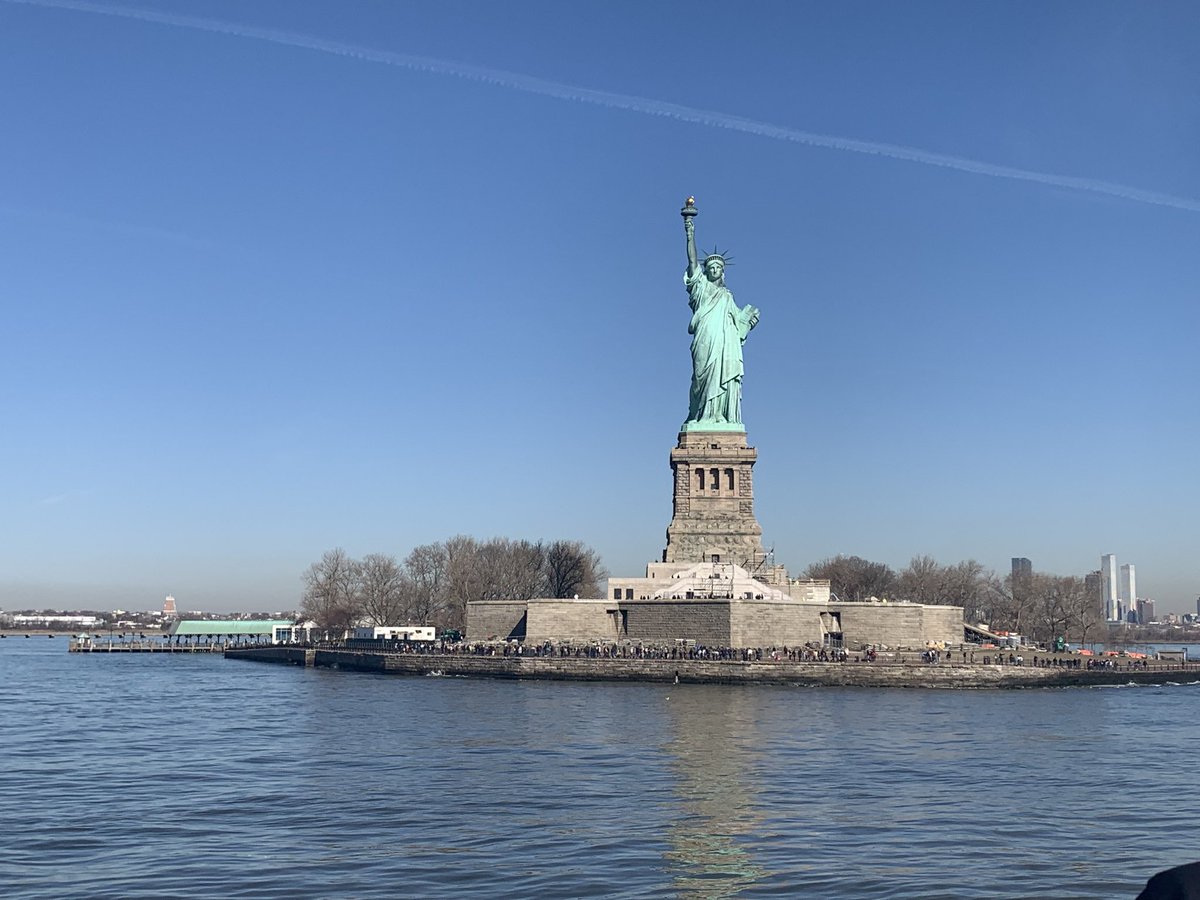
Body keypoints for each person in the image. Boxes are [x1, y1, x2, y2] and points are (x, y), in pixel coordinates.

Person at [682, 209, 760, 426]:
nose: (715, 270)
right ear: (705, 271)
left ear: (723, 272)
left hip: (725, 344)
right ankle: (701, 415)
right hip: (705, 338)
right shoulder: (701, 287)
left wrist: (750, 321)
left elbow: (739, 325)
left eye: (718, 267)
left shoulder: (727, 296)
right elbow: (692, 262)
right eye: (711, 267)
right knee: (701, 376)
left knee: (722, 374)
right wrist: (690, 233)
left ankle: (719, 416)